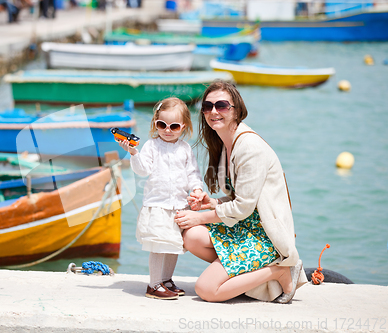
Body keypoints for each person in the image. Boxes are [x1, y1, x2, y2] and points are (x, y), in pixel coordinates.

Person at [174, 80, 307, 303]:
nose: (213, 111)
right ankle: (247, 278)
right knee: (192, 236)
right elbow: (241, 198)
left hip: (264, 235)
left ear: (237, 111)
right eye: (208, 106)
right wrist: (212, 203)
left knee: (206, 290)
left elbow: (244, 207)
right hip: (245, 226)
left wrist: (199, 216)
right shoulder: (225, 143)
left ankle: (280, 270)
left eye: (222, 105)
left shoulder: (249, 147)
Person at [117, 97, 204, 300]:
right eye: (161, 125)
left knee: (173, 245)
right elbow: (142, 170)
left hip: (179, 206)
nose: (167, 130)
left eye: (174, 126)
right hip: (157, 205)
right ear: (155, 123)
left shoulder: (185, 148)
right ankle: (154, 284)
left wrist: (197, 189)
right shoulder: (151, 146)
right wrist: (133, 153)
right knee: (158, 246)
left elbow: (193, 173)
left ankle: (166, 280)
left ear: (183, 126)